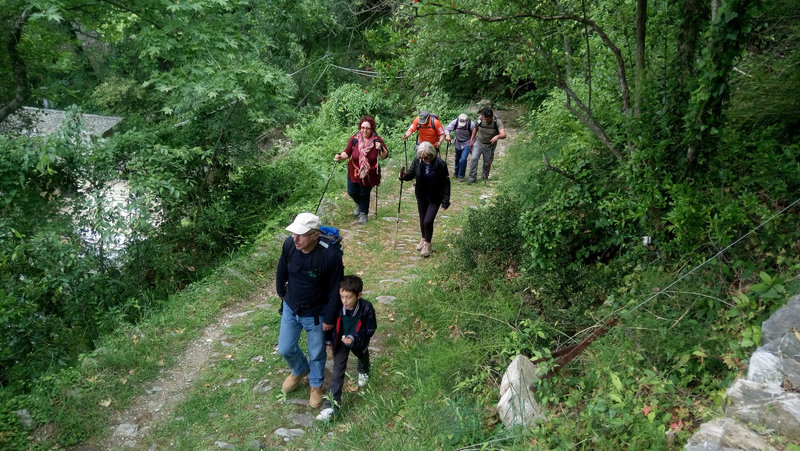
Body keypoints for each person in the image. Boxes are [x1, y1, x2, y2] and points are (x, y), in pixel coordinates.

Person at [276, 212, 344, 408]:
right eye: (294, 233)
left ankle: (316, 385)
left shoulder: (330, 256)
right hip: (291, 308)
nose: (295, 238)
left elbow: (335, 290)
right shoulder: (290, 245)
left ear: (315, 235)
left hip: (316, 314)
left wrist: (330, 318)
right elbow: (282, 268)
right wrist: (281, 292)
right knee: (285, 348)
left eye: (301, 235)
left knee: (316, 352)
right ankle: (299, 370)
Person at [316, 275, 377, 421]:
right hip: (340, 343)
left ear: (359, 295)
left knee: (362, 355)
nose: (345, 301)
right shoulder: (337, 307)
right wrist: (329, 341)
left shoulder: (367, 308)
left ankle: (363, 370)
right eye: (342, 296)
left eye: (348, 297)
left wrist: (355, 338)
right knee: (337, 372)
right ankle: (331, 407)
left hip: (358, 341)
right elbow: (330, 325)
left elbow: (370, 329)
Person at [398, 141, 451, 257]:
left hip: (435, 196)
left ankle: (427, 244)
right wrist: (402, 176)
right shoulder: (418, 161)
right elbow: (410, 175)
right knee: (422, 219)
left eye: (427, 157)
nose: (424, 159)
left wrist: (445, 201)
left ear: (432, 154)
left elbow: (446, 183)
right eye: (422, 157)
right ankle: (423, 239)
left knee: (428, 220)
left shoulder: (440, 164)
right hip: (421, 195)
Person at [334, 115, 389, 225]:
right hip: (354, 169)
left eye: (367, 128)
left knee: (364, 193)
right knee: (351, 191)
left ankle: (364, 213)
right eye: (362, 127)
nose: (364, 130)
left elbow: (384, 155)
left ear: (372, 128)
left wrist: (380, 148)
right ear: (360, 128)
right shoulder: (354, 139)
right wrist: (340, 157)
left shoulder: (377, 140)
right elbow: (347, 153)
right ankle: (359, 204)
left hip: (369, 172)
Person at [467, 108, 506, 184]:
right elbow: (475, 128)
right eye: (485, 119)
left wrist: (497, 136)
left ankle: (484, 178)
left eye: (488, 119)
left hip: (489, 146)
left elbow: (504, 134)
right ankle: (472, 178)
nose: (486, 121)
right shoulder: (480, 119)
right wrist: (472, 139)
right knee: (474, 159)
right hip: (479, 142)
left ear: (491, 117)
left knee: (486, 163)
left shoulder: (497, 122)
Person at [444, 113, 476, 181]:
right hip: (458, 142)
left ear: (467, 120)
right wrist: (447, 135)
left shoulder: (471, 124)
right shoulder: (455, 122)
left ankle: (461, 175)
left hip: (467, 143)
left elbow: (474, 135)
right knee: (457, 158)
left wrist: (472, 144)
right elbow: (447, 129)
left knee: (463, 159)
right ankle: (456, 173)